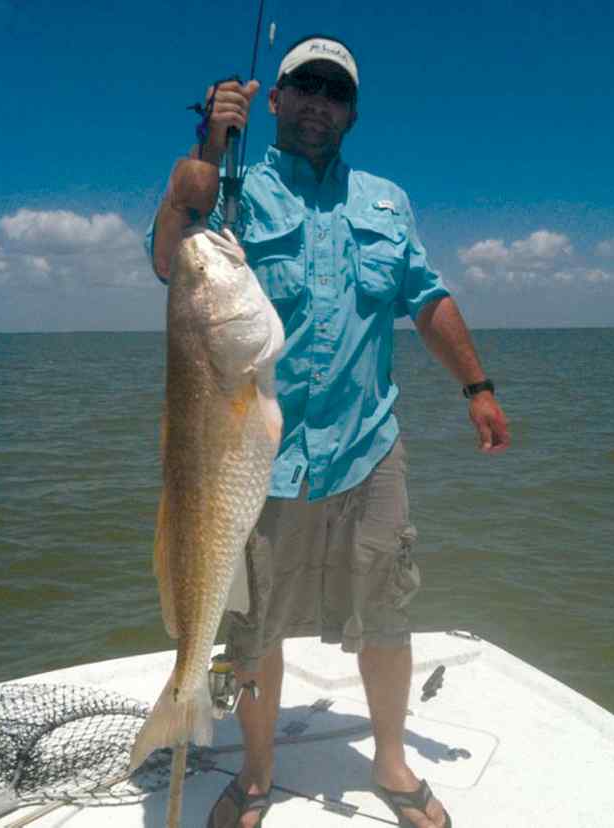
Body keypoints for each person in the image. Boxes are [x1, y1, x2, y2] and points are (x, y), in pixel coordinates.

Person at [148, 34, 509, 828]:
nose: (319, 102)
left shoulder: (385, 201)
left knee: (387, 615)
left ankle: (391, 762)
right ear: (274, 100)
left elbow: (427, 298)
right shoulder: (233, 189)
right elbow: (173, 260)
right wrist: (208, 148)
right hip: (258, 459)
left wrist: (477, 387)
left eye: (335, 91)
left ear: (352, 113)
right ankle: (257, 774)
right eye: (304, 86)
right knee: (253, 632)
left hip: (367, 448)